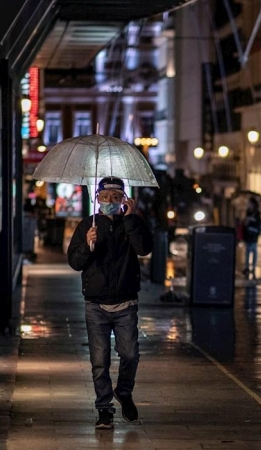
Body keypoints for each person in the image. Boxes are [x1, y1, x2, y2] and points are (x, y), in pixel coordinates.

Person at [67, 176, 153, 429]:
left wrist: (131, 218)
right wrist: (88, 244)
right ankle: (104, 408)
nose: (110, 202)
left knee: (130, 354)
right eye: (105, 198)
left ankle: (124, 391)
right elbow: (75, 262)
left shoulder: (131, 224)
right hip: (96, 305)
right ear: (97, 199)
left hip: (126, 303)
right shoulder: (87, 226)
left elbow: (144, 248)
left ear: (124, 200)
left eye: (116, 198)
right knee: (99, 361)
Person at [241, 197, 261, 277]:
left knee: (253, 250)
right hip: (248, 233)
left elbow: (258, 223)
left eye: (249, 203)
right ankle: (247, 267)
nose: (248, 205)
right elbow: (245, 223)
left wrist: (251, 220)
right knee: (247, 251)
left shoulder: (257, 213)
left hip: (254, 233)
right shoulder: (248, 212)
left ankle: (253, 267)